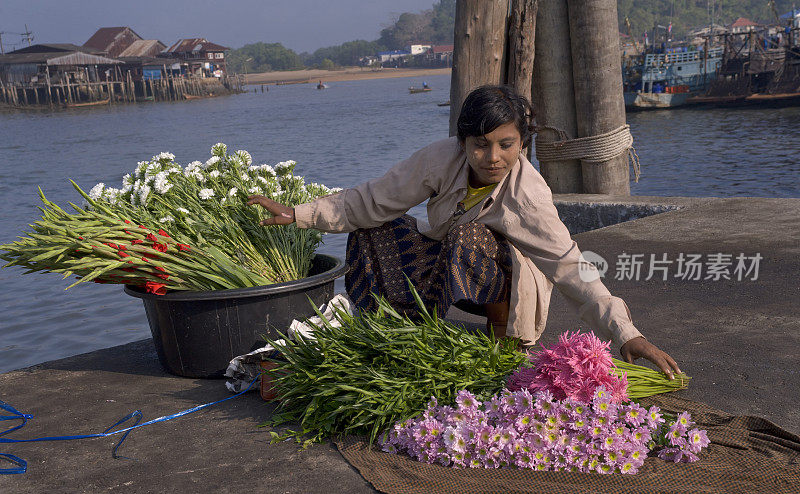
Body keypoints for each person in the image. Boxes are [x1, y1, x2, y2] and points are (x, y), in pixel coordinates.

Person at [247, 85, 681, 379]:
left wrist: (628, 333)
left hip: (505, 281)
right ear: (461, 142)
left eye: (505, 144)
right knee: (373, 227)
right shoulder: (440, 159)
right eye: (480, 144)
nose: (492, 157)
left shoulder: (529, 197)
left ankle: (501, 341)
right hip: (451, 264)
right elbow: (373, 199)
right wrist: (298, 213)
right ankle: (405, 331)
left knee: (468, 236)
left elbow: (572, 267)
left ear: (522, 143)